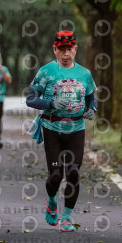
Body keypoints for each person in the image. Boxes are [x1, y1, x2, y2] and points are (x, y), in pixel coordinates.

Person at [26, 30, 97, 232]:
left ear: (76, 49)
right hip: (52, 128)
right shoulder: (46, 72)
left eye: (70, 49)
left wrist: (92, 109)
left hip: (76, 129)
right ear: (55, 50)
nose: (66, 53)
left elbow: (91, 98)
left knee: (73, 173)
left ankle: (66, 218)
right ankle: (52, 202)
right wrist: (51, 103)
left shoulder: (85, 74)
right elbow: (31, 99)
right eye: (62, 49)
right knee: (56, 175)